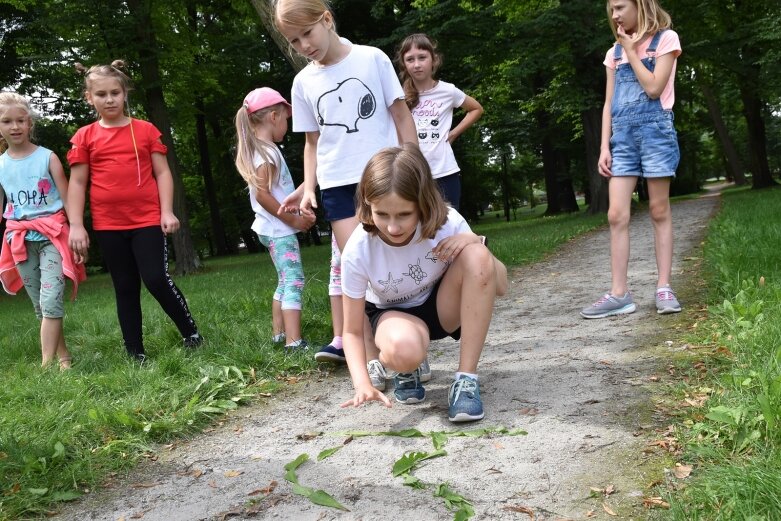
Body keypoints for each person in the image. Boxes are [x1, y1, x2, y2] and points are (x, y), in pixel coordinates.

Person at [273, 0, 418, 378]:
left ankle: (409, 351)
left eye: (307, 33)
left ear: (327, 19)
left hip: (384, 177)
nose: (304, 45)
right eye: (293, 41)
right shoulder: (303, 81)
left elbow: (401, 117)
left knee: (394, 265)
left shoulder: (372, 59)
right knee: (361, 268)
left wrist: (415, 169)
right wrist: (309, 188)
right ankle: (375, 361)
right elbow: (311, 142)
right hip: (337, 186)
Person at [338, 144, 507, 422]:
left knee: (477, 253)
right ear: (368, 203)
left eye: (404, 214)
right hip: (392, 317)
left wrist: (477, 242)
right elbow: (353, 331)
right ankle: (406, 367)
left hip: (441, 307)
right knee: (404, 351)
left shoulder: (447, 222)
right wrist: (362, 383)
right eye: (382, 214)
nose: (393, 228)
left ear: (423, 203)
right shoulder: (358, 248)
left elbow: (499, 286)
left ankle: (466, 381)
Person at [67, 60, 202, 362]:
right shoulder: (84, 137)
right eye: (101, 94)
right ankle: (135, 352)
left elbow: (163, 173)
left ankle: (191, 333)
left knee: (155, 278)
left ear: (125, 93)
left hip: (147, 221)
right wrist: (76, 225)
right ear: (89, 98)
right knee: (125, 286)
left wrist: (166, 211)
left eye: (115, 92)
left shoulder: (145, 130)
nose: (110, 99)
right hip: (108, 225)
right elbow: (77, 183)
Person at [581, 0, 682, 319]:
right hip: (621, 139)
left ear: (641, 6)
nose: (615, 15)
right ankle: (619, 293)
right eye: (611, 10)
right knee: (615, 214)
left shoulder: (666, 40)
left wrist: (631, 49)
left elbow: (654, 88)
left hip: (655, 133)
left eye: (621, 7)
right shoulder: (613, 54)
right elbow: (608, 103)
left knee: (658, 209)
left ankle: (664, 286)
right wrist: (603, 147)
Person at [0, 92, 86, 369]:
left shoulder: (47, 158)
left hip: (52, 236)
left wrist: (77, 231)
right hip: (19, 239)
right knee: (41, 306)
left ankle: (45, 366)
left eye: (20, 121)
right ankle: (64, 358)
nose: (14, 127)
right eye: (6, 121)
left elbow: (68, 196)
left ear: (29, 124)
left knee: (50, 299)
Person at [234, 87, 316, 350]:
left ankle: (279, 334)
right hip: (278, 229)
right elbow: (262, 195)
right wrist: (292, 221)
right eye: (286, 119)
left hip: (272, 227)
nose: (286, 125)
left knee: (284, 279)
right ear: (273, 116)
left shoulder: (262, 150)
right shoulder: (267, 153)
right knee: (294, 279)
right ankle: (294, 342)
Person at [396, 33, 483, 210]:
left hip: (445, 171)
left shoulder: (448, 91)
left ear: (434, 60)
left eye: (422, 57)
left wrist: (453, 134)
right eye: (410, 59)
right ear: (404, 64)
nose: (417, 64)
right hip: (413, 174)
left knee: (450, 225)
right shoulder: (397, 96)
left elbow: (476, 109)